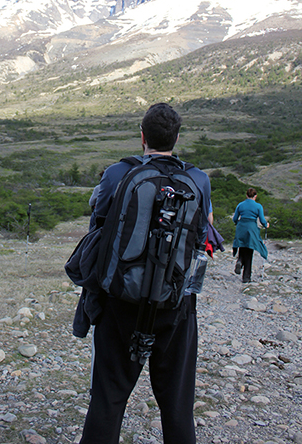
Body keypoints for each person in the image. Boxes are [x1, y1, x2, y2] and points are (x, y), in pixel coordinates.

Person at [77, 103, 211, 444]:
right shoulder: (198, 179)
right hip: (176, 305)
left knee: (107, 399)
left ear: (141, 137)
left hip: (119, 300)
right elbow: (203, 234)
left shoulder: (116, 173)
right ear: (177, 138)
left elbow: (99, 220)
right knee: (177, 406)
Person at [233, 187, 268, 283]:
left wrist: (238, 223)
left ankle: (239, 260)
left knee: (242, 246)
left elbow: (235, 218)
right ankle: (246, 277)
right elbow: (262, 220)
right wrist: (266, 225)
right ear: (255, 196)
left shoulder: (240, 205)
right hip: (251, 228)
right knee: (249, 250)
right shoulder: (258, 206)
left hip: (241, 227)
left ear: (246, 195)